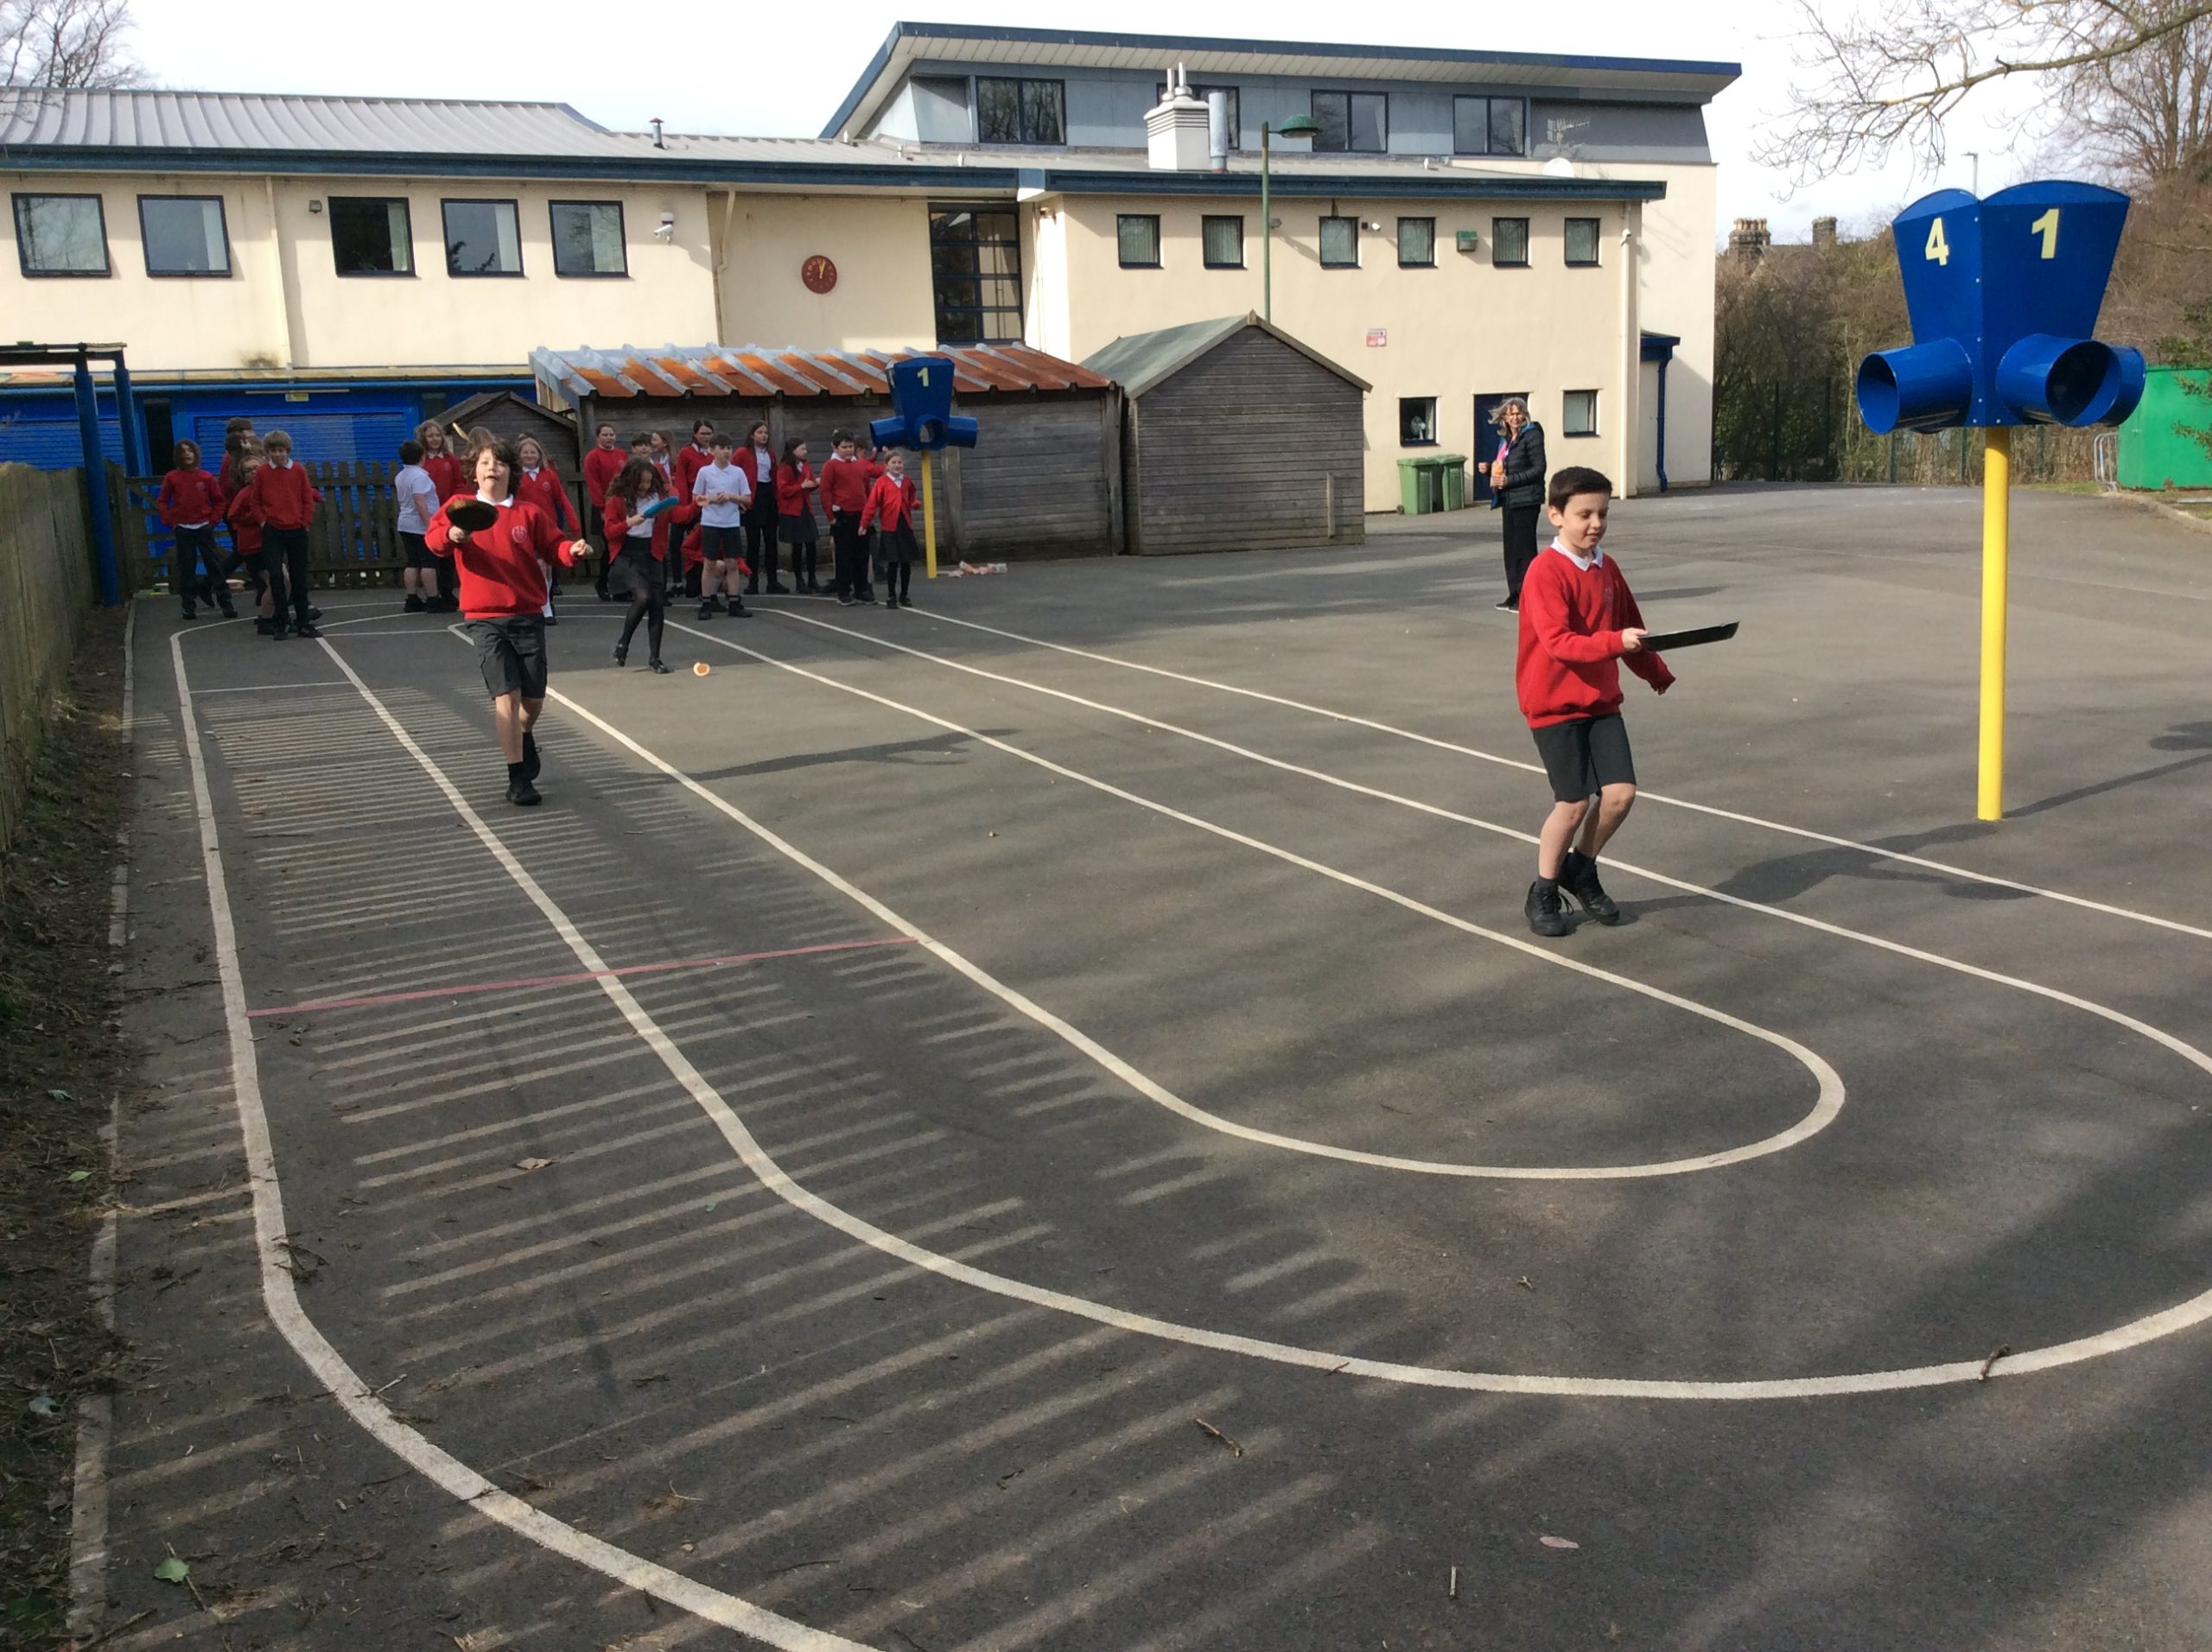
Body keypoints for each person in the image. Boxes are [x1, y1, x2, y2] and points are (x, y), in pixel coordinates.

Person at [1516, 466, 1673, 938]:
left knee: (1621, 795)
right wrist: (1616, 642)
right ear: (1556, 515)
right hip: (1554, 705)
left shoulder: (1608, 568)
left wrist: (1656, 672)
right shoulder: (1545, 572)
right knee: (1573, 803)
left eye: (1603, 513)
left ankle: (1581, 868)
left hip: (1601, 701)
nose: (1596, 523)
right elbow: (1560, 643)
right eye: (1584, 514)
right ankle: (1544, 889)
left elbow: (1630, 630)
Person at [423, 430, 590, 807]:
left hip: (528, 613)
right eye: (485, 462)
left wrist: (572, 550)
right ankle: (517, 777)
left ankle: (523, 736)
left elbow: (555, 546)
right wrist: (453, 534)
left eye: (499, 463)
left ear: (510, 472)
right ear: (475, 471)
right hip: (485, 617)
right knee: (506, 696)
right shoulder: (459, 507)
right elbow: (434, 541)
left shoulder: (528, 513)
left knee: (533, 699)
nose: (492, 468)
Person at [240, 429, 322, 639]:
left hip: (297, 529)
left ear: (287, 450)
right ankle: (282, 622)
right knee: (276, 576)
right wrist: (263, 522)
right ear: (267, 452)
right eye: (273, 451)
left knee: (299, 577)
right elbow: (255, 500)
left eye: (281, 450)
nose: (277, 454)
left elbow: (307, 497)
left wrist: (305, 523)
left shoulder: (298, 470)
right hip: (273, 530)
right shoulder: (263, 473)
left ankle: (303, 622)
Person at [603, 455, 676, 673]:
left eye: (648, 481)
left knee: (657, 604)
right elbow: (609, 532)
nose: (645, 486)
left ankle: (655, 658)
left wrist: (697, 506)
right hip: (627, 554)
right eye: (641, 482)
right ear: (631, 480)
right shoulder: (617, 500)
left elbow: (677, 514)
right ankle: (623, 642)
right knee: (642, 596)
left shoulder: (658, 498)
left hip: (651, 553)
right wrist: (628, 522)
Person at [156, 438, 228, 620]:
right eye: (183, 451)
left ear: (195, 454)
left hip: (204, 527)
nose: (187, 454)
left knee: (214, 565)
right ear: (178, 456)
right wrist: (171, 522)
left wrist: (212, 522)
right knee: (187, 568)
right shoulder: (172, 478)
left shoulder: (206, 477)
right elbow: (162, 501)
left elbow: (219, 501)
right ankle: (188, 606)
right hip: (183, 529)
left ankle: (226, 602)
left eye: (189, 451)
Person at [1489, 397, 1547, 613]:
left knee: (1525, 551)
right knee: (1511, 550)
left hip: (1527, 500)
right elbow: (1507, 467)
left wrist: (1509, 480)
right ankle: (1514, 594)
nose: (1515, 417)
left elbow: (1538, 469)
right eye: (1511, 414)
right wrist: (1488, 470)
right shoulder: (1507, 440)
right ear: (1504, 417)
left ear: (1525, 414)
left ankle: (1527, 597)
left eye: (1519, 413)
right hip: (1509, 499)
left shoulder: (1532, 435)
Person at [515, 435, 581, 625]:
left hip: (548, 528)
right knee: (539, 566)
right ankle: (545, 609)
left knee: (549, 569)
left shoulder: (549, 475)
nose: (529, 455)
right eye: (525, 452)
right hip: (526, 528)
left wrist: (574, 525)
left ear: (539, 455)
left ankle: (546, 601)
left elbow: (562, 500)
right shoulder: (516, 477)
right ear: (519, 455)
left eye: (532, 452)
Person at [690, 432, 753, 620]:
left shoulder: (738, 472)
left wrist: (730, 496)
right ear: (712, 451)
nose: (727, 452)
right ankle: (706, 602)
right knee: (709, 563)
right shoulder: (705, 472)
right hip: (711, 522)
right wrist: (712, 499)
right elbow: (696, 499)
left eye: (729, 448)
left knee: (732, 563)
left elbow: (747, 499)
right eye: (722, 448)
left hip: (731, 522)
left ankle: (734, 602)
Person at [819, 430, 876, 606]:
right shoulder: (830, 466)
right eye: (844, 447)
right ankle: (843, 591)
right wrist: (831, 516)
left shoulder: (859, 465)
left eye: (851, 446)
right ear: (835, 448)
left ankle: (861, 589)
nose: (848, 450)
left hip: (861, 515)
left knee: (862, 554)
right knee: (844, 555)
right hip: (842, 516)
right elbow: (825, 492)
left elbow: (866, 489)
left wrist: (868, 514)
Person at [416, 419, 468, 612]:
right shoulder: (422, 462)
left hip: (448, 512)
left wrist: (455, 504)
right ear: (423, 438)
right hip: (429, 513)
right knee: (430, 557)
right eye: (430, 436)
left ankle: (447, 592)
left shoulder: (450, 460)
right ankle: (433, 593)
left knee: (448, 555)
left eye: (437, 435)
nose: (435, 439)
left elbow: (460, 483)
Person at [860, 450, 920, 609]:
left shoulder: (907, 481)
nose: (897, 465)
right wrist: (864, 523)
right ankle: (891, 595)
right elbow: (872, 504)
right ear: (886, 466)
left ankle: (904, 594)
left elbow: (912, 495)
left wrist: (914, 503)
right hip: (890, 527)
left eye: (899, 462)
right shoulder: (882, 482)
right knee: (893, 562)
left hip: (904, 525)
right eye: (893, 463)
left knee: (906, 562)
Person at [392, 439, 441, 613]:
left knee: (413, 562)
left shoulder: (401, 476)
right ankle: (433, 599)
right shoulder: (420, 477)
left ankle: (412, 598)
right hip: (419, 525)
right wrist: (429, 524)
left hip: (405, 522)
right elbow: (420, 500)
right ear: (422, 456)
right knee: (428, 562)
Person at [739, 421, 783, 594]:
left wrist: (778, 500)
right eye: (760, 432)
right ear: (752, 435)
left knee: (771, 542)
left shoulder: (770, 454)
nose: (764, 435)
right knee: (753, 542)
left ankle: (773, 581)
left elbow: (774, 476)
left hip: (768, 496)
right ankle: (753, 581)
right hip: (752, 497)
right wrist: (740, 499)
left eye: (766, 433)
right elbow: (735, 473)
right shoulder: (743, 453)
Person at [775, 437, 823, 594]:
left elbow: (807, 487)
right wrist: (801, 486)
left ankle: (812, 579)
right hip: (793, 510)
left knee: (811, 544)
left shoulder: (805, 465)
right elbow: (783, 490)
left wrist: (815, 484)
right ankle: (799, 580)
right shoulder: (785, 467)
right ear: (793, 451)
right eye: (802, 449)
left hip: (805, 508)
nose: (805, 452)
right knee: (797, 545)